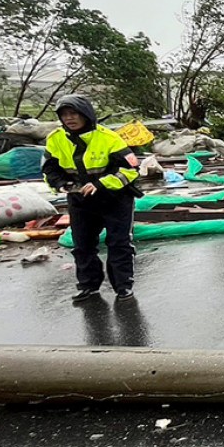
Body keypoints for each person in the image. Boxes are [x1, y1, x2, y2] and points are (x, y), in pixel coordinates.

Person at [42, 94, 142, 303]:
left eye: (74, 113)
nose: (69, 118)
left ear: (86, 115)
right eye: (64, 114)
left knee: (119, 244)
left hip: (114, 199)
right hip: (80, 200)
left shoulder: (109, 138)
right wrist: (61, 184)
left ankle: (123, 286)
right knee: (82, 245)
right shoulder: (55, 139)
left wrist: (101, 184)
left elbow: (131, 168)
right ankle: (88, 286)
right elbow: (49, 168)